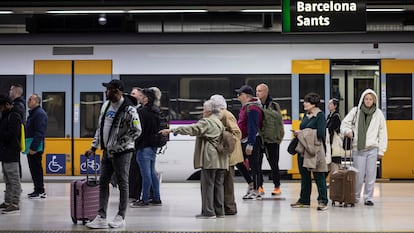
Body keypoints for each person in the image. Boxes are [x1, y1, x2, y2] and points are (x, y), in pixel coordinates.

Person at [85, 79, 141, 229]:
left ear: (117, 91)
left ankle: (121, 216)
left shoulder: (129, 110)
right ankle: (101, 216)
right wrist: (93, 146)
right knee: (103, 182)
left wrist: (118, 144)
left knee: (123, 184)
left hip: (123, 153)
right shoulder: (106, 106)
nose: (106, 92)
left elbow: (137, 131)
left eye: (108, 89)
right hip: (107, 152)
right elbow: (100, 127)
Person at [160, 100, 228, 219]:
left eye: (203, 109)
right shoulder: (218, 122)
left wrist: (173, 130)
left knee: (207, 185)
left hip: (210, 158)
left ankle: (208, 212)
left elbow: (192, 129)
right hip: (221, 158)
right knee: (219, 185)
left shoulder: (207, 122)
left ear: (208, 111)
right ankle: (219, 211)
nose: (202, 112)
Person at [341, 89, 387, 206]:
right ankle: (355, 196)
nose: (368, 101)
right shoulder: (356, 111)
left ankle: (368, 198)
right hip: (358, 148)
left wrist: (381, 150)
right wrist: (347, 131)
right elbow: (344, 124)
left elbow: (383, 133)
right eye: (366, 99)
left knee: (371, 174)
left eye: (370, 99)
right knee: (358, 175)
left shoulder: (379, 114)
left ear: (374, 100)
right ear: (362, 99)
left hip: (372, 148)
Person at [291, 92, 328, 211]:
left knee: (319, 175)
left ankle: (323, 201)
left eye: (307, 102)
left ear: (313, 104)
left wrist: (302, 133)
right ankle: (304, 200)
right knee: (305, 176)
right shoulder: (306, 115)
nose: (304, 104)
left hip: (316, 150)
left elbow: (321, 133)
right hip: (303, 150)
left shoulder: (320, 115)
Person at [210, 94, 243, 215]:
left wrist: (222, 135)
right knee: (224, 182)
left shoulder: (226, 115)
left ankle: (229, 207)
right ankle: (225, 206)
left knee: (227, 183)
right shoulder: (220, 114)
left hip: (229, 154)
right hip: (226, 153)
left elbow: (236, 133)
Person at [130, 88, 162, 208]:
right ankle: (157, 198)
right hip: (153, 146)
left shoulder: (142, 112)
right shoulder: (156, 112)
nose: (140, 98)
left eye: (142, 96)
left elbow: (139, 131)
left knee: (146, 174)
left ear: (146, 99)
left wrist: (135, 143)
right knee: (152, 173)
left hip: (143, 146)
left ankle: (144, 199)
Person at [235, 85, 263, 200]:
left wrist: (250, 144)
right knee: (238, 161)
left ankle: (256, 191)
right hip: (244, 140)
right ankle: (251, 185)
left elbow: (253, 127)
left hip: (252, 140)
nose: (238, 97)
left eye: (240, 94)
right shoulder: (246, 107)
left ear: (246, 95)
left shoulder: (253, 108)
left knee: (255, 166)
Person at [255, 83, 283, 195]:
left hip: (272, 139)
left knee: (274, 164)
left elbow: (278, 120)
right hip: (259, 138)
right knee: (257, 164)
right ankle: (259, 185)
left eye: (260, 91)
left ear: (266, 92)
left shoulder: (274, 105)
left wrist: (279, 137)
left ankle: (277, 186)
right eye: (256, 91)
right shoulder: (255, 105)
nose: (257, 93)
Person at [0, 95, 22, 214]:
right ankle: (7, 201)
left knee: (14, 179)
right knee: (7, 179)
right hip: (4, 151)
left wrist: (1, 136)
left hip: (11, 151)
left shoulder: (14, 116)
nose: (0, 109)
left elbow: (12, 134)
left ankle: (15, 203)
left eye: (1, 107)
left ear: (7, 105)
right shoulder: (5, 115)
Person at [26, 94, 48, 199]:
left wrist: (33, 148)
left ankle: (40, 190)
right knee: (34, 168)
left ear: (36, 101)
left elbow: (39, 132)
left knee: (36, 168)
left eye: (30, 99)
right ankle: (37, 189)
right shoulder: (34, 113)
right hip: (32, 146)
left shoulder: (39, 114)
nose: (28, 101)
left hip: (36, 147)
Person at [326, 98, 342, 172]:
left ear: (335, 106)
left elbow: (331, 128)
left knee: (335, 160)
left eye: (330, 104)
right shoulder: (329, 116)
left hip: (334, 142)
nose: (328, 105)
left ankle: (336, 179)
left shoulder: (336, 116)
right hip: (330, 142)